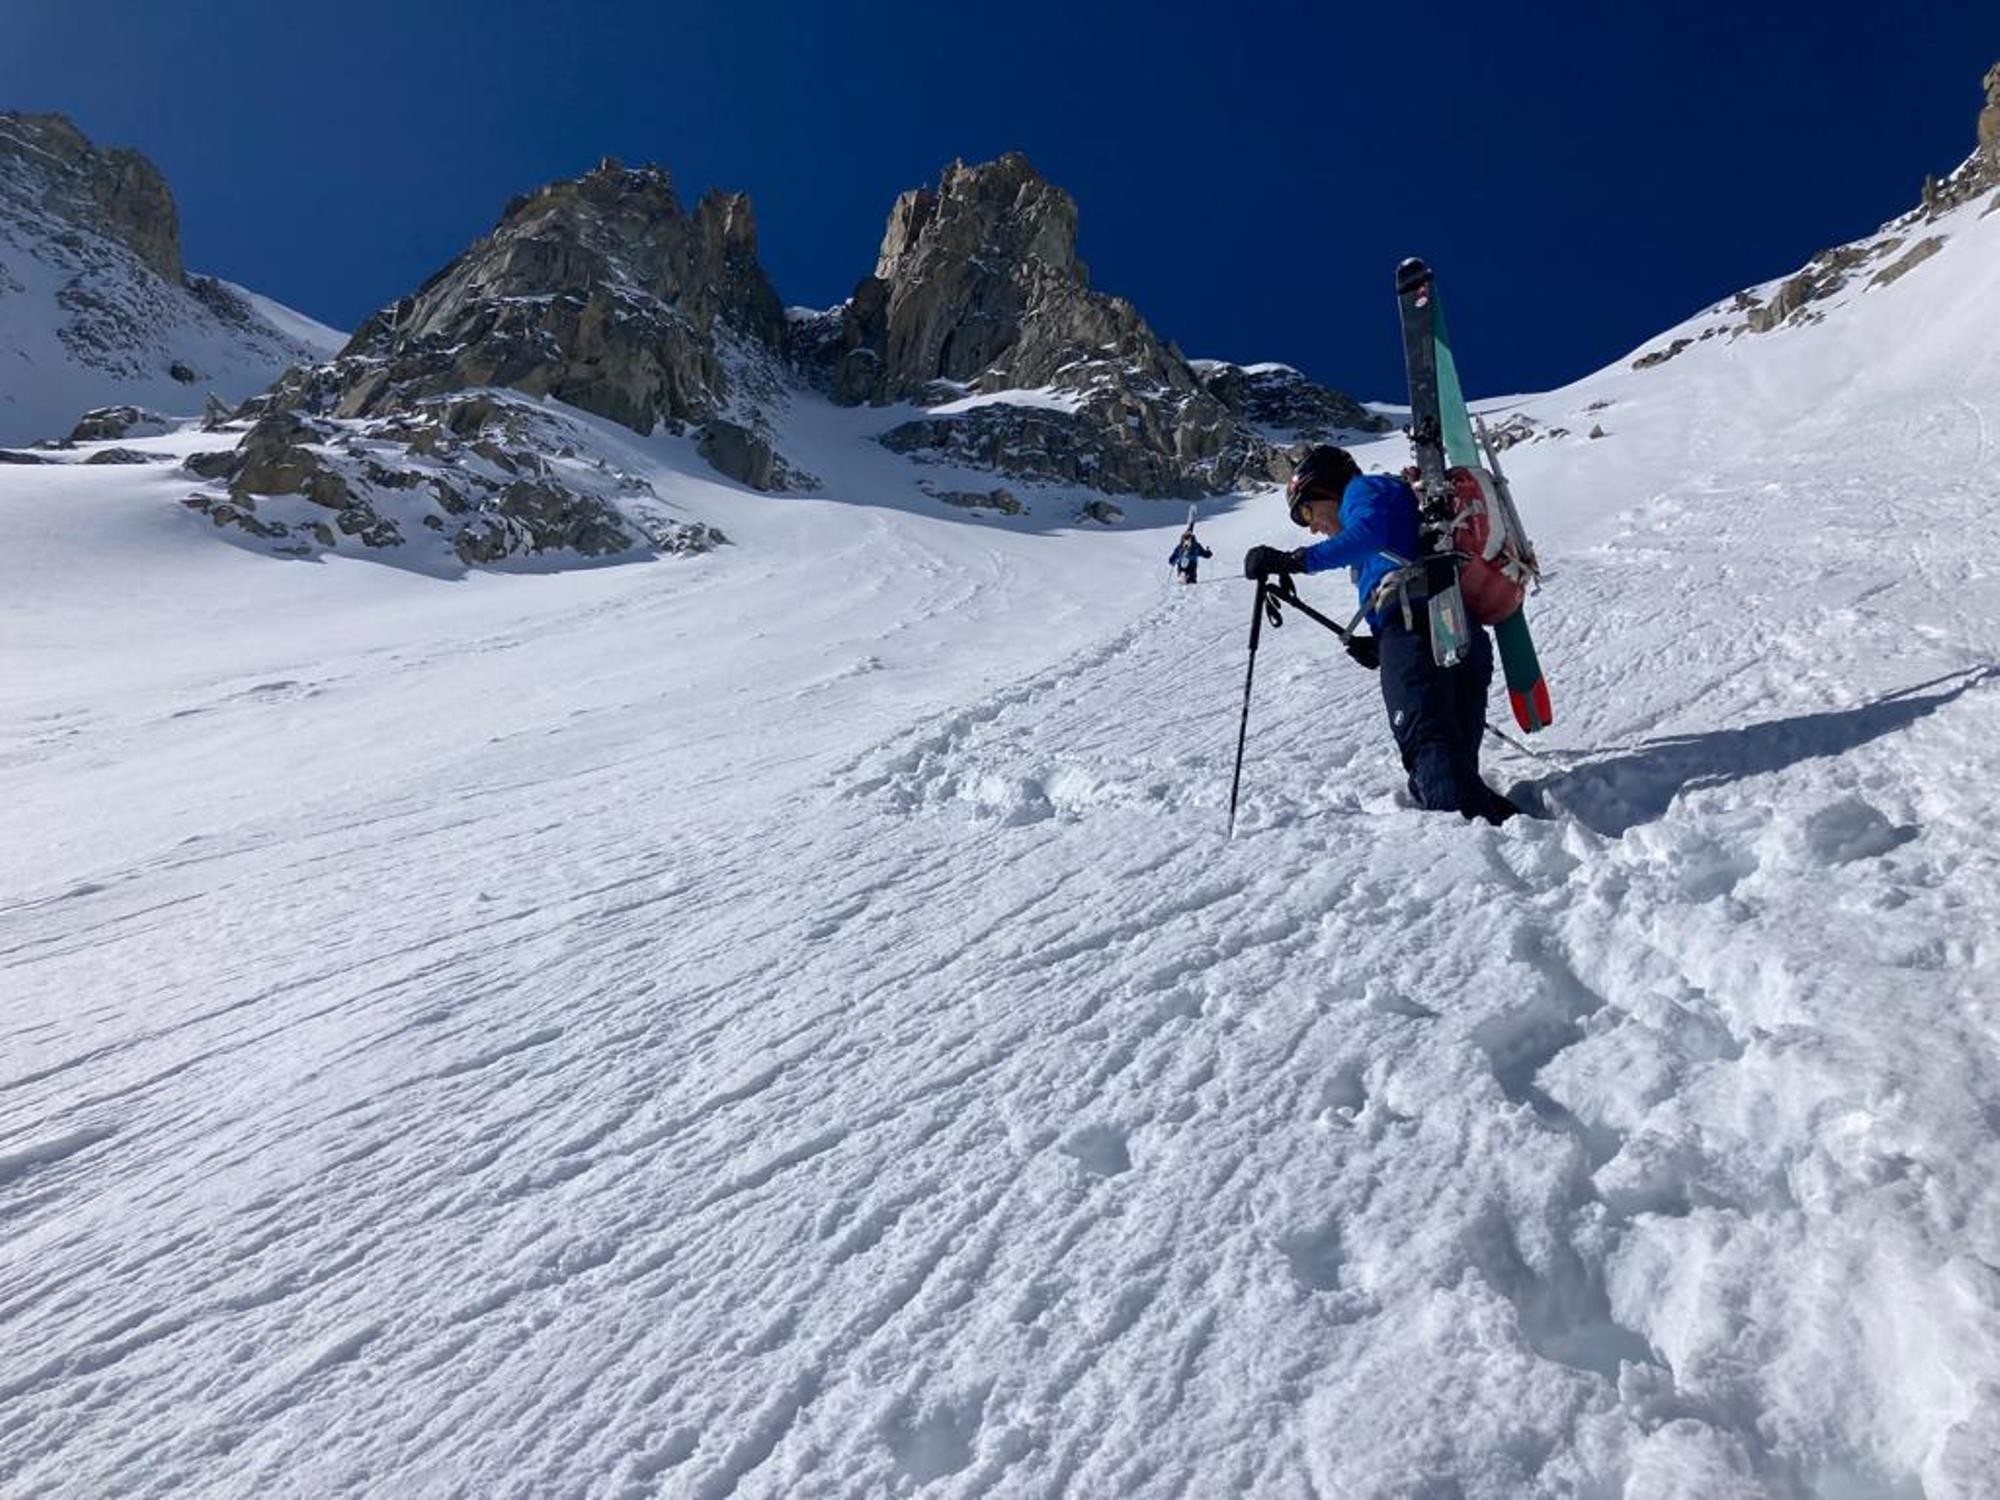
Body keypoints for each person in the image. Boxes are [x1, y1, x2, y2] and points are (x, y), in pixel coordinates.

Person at [1243, 444, 1515, 824]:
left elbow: (1369, 535)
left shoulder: (1361, 490)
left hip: (1417, 628)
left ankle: (1484, 861)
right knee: (1451, 760)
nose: (1314, 527)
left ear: (1327, 487)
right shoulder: (1392, 498)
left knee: (1427, 748)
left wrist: (1295, 560)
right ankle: (1520, 838)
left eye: (1307, 511)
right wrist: (1384, 646)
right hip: (1452, 627)